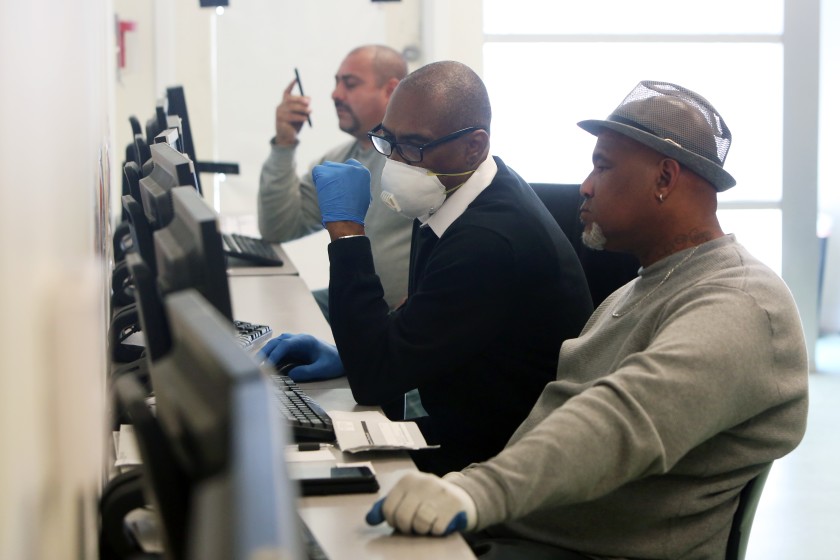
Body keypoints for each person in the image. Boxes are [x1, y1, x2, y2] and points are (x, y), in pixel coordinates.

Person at [364, 81, 810, 560]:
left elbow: (624, 419)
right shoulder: (641, 287)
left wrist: (476, 493)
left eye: (603, 166)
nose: (586, 185)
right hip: (524, 531)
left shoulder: (741, 304)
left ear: (664, 178)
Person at [260, 61, 594, 476]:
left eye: (414, 145)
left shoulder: (487, 242)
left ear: (475, 146)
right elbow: (416, 331)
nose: (396, 161)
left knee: (294, 471)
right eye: (388, 140)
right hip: (462, 419)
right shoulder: (452, 193)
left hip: (497, 461)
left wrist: (347, 234)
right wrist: (351, 354)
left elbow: (375, 380)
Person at [257, 45, 412, 316]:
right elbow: (278, 227)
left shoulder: (416, 160)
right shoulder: (338, 162)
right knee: (272, 314)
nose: (335, 94)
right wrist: (284, 142)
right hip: (356, 301)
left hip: (397, 316)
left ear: (390, 90)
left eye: (350, 84)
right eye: (336, 83)